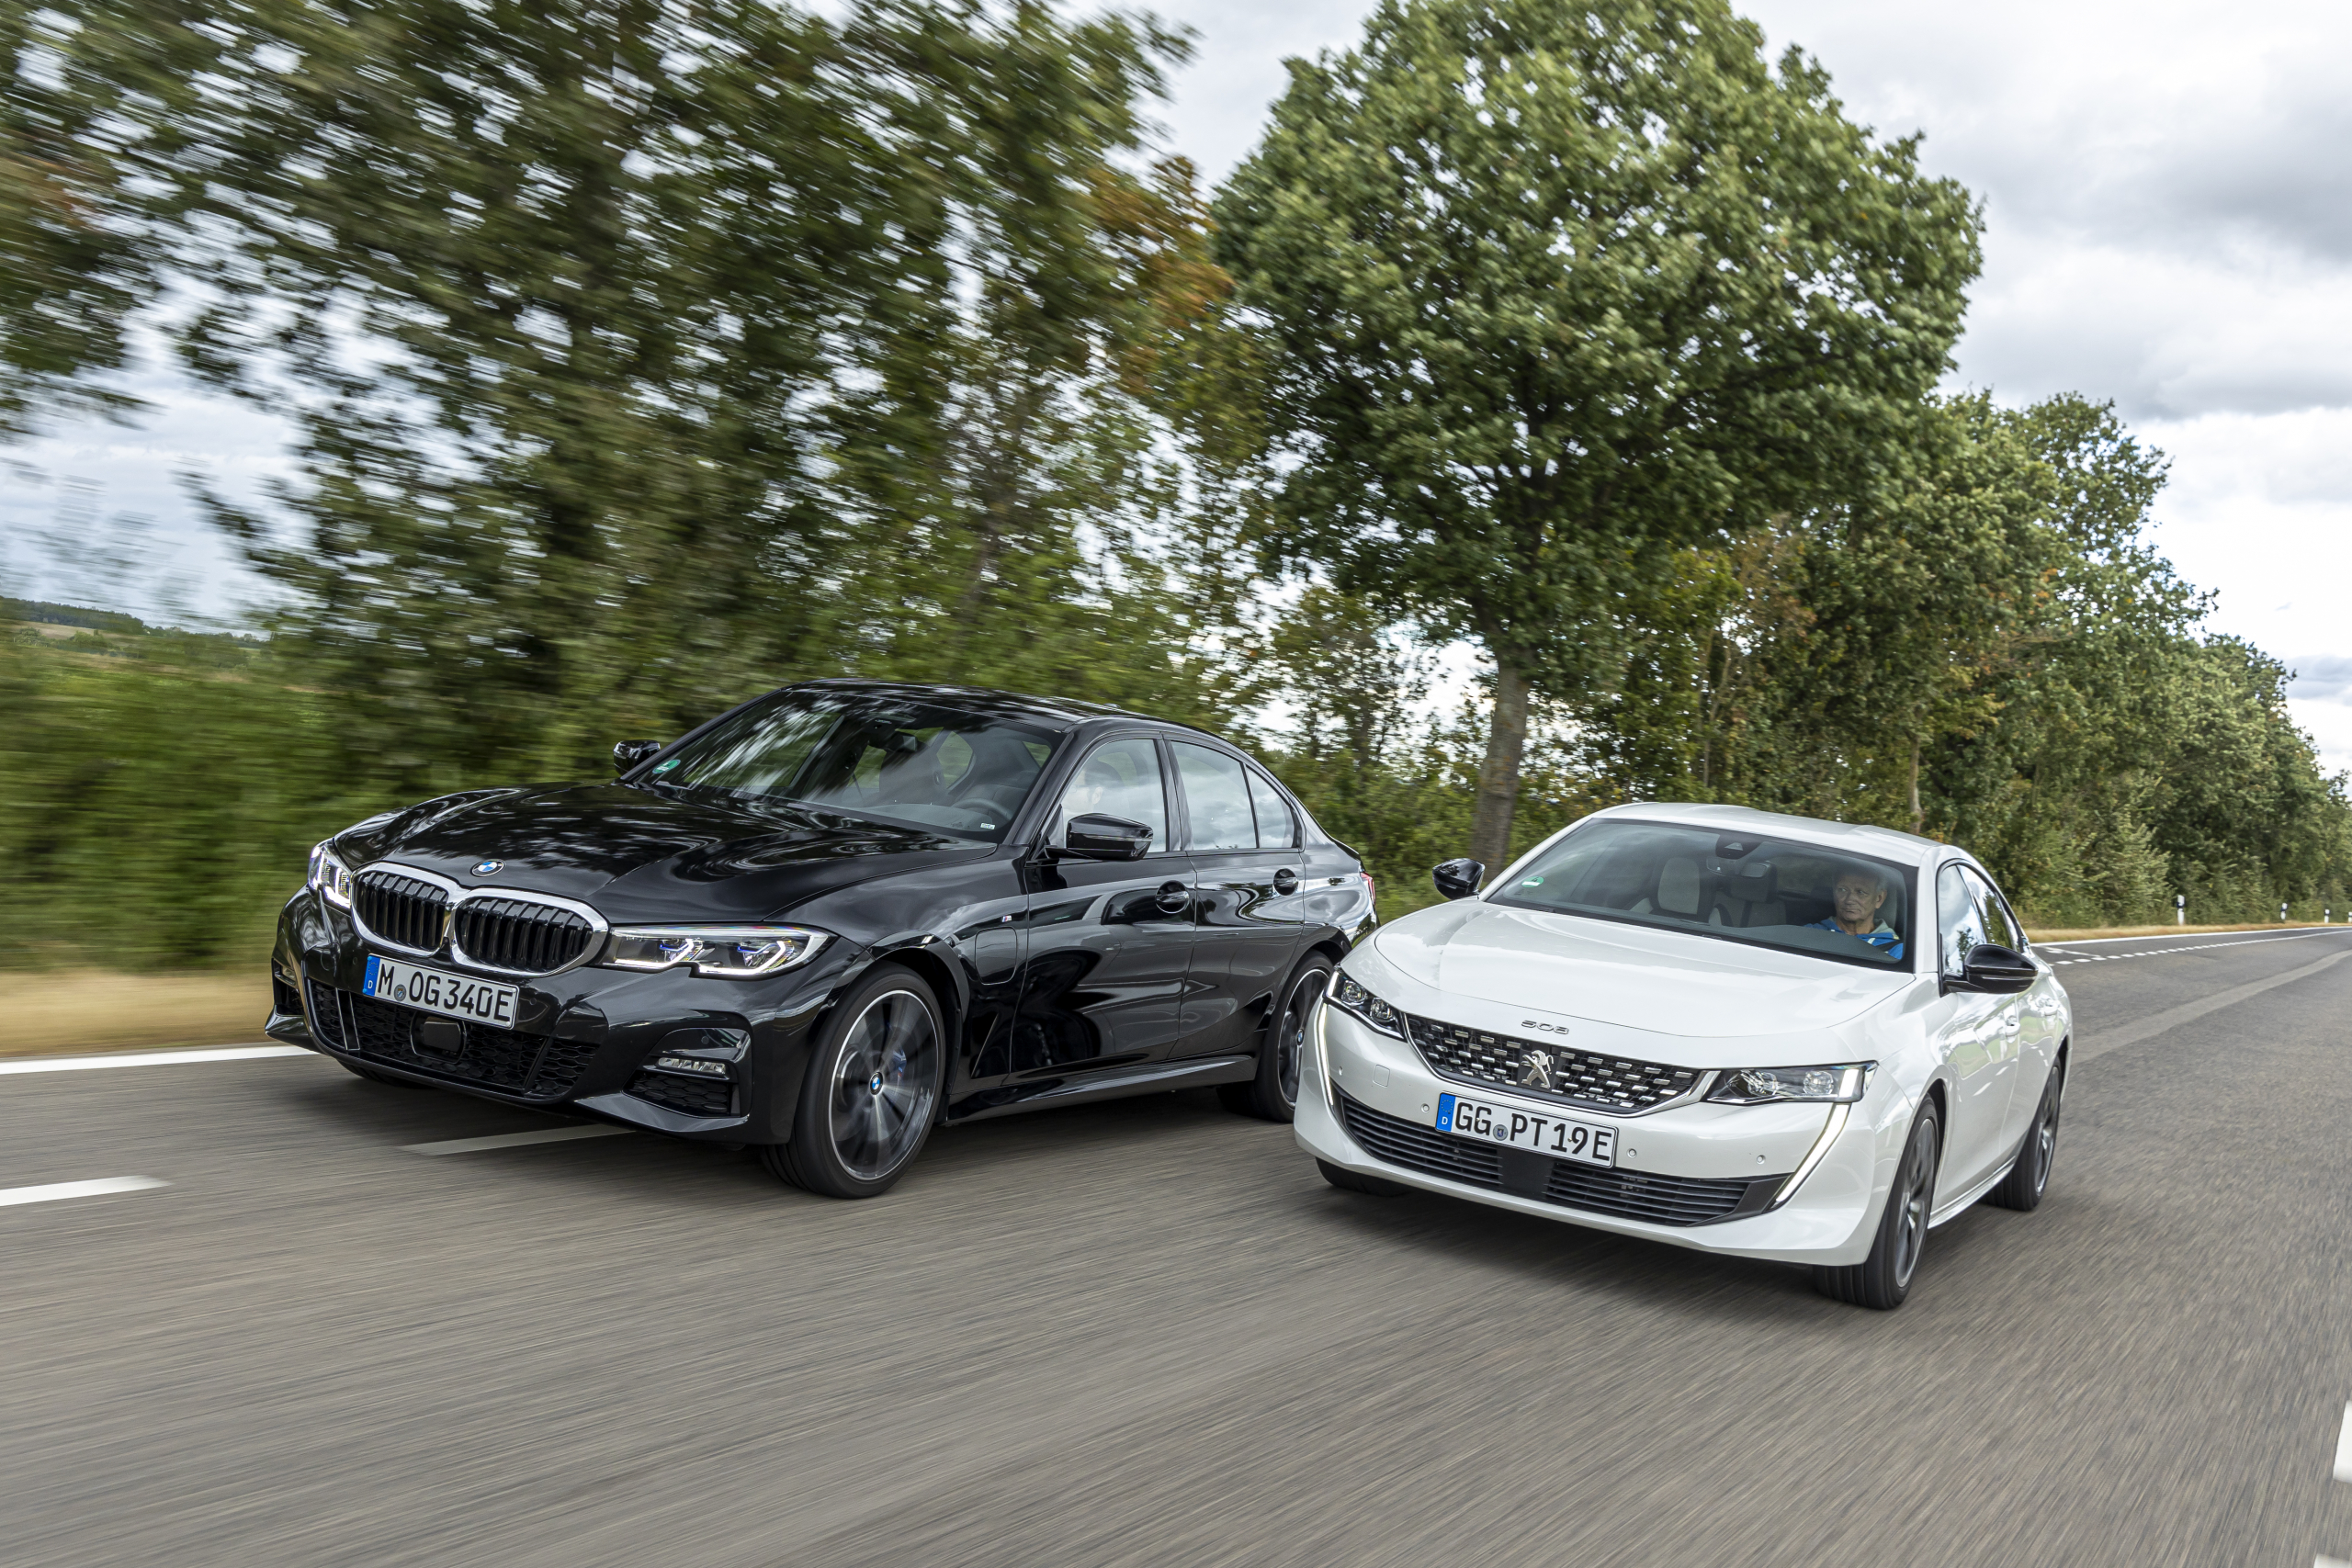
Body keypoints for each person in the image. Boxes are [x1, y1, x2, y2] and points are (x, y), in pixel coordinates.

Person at [1809, 865, 1905, 959]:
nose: (1850, 900)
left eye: (1860, 892)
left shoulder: (1896, 950)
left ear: (1879, 899)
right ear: (1834, 894)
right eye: (1842, 890)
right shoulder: (1809, 933)